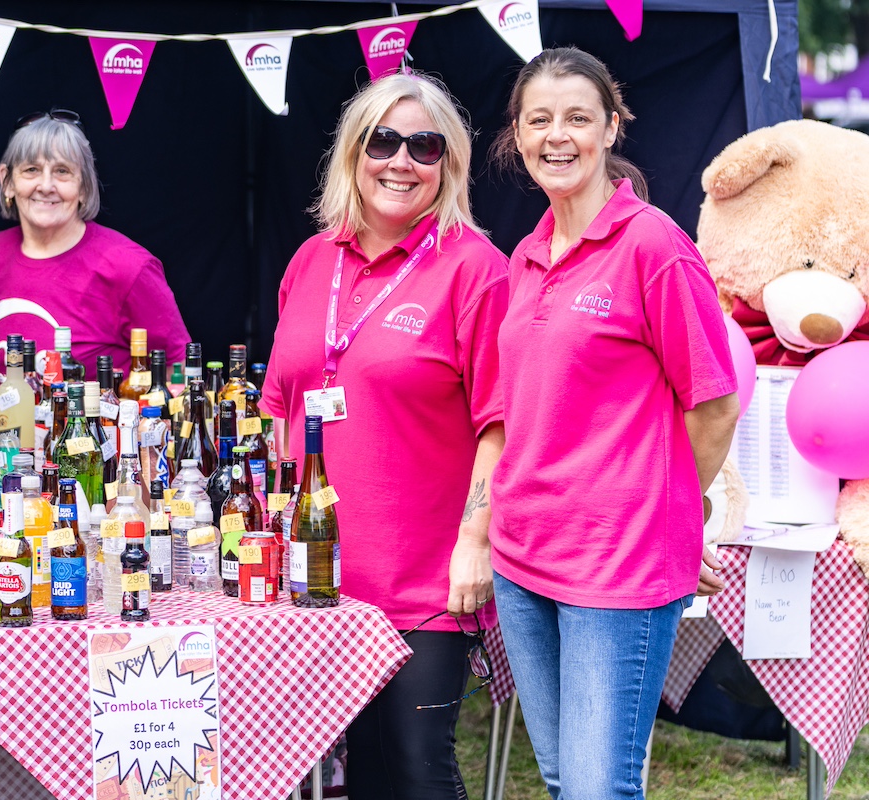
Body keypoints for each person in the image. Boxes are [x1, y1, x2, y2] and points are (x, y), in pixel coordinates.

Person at [487, 48, 739, 800]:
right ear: (518, 135)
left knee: (598, 788)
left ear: (612, 127)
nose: (556, 137)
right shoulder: (526, 256)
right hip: (521, 555)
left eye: (577, 118)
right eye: (539, 120)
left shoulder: (652, 245)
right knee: (567, 778)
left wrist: (676, 517)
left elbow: (716, 402)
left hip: (616, 563)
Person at [260, 72, 508, 799]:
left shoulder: (475, 270)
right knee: (358, 771)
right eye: (384, 141)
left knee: (415, 762)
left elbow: (501, 422)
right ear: (353, 153)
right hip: (320, 574)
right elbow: (282, 408)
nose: (401, 161)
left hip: (424, 575)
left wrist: (476, 540)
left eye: (424, 146)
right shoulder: (312, 261)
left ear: (448, 165)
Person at [0, 110, 190, 383]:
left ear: (84, 186)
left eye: (62, 171)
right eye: (31, 170)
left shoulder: (128, 268)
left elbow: (179, 370)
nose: (46, 185)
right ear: (7, 181)